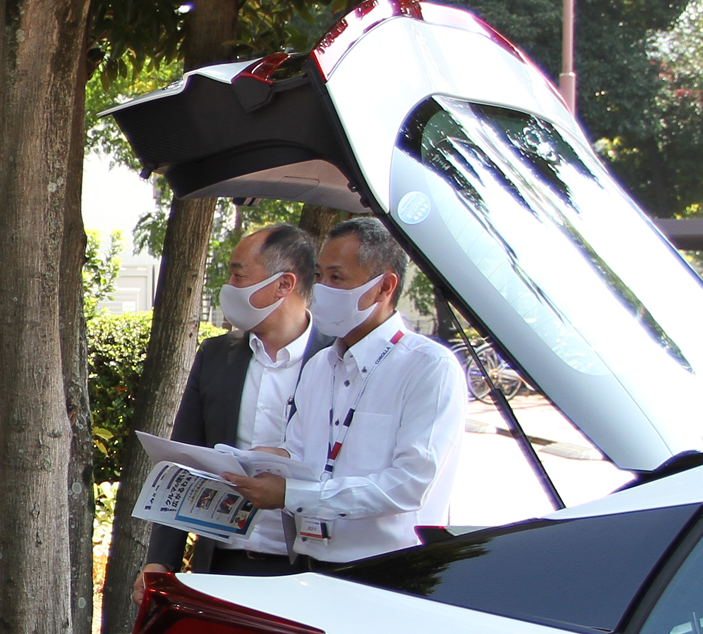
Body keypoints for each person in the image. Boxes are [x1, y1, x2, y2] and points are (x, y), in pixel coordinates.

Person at [223, 215, 466, 566]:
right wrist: (267, 461)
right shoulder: (320, 367)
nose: (322, 290)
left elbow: (408, 485)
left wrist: (294, 494)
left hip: (389, 570)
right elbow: (301, 455)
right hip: (311, 561)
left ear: (384, 288)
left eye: (337, 277)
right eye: (320, 276)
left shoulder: (428, 368)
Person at [136, 223, 331, 587]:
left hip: (309, 571)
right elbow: (184, 462)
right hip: (221, 564)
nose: (228, 286)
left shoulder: (337, 362)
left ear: (283, 284)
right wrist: (161, 561)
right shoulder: (216, 356)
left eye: (238, 275)